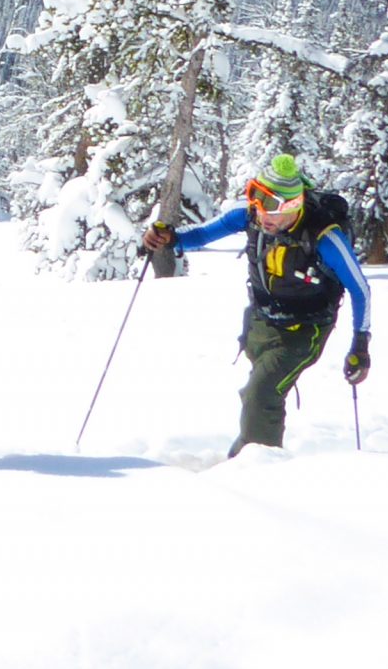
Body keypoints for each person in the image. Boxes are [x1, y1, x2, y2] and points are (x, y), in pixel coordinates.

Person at [140, 153, 373, 456]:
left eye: (272, 205)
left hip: (305, 330)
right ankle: (255, 454)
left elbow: (360, 289)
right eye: (256, 198)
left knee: (261, 394)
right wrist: (168, 239)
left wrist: (360, 344)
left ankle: (255, 467)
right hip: (260, 322)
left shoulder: (325, 238)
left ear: (294, 204)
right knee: (259, 393)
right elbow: (201, 235)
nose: (263, 214)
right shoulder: (250, 215)